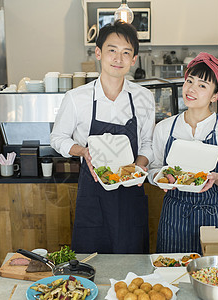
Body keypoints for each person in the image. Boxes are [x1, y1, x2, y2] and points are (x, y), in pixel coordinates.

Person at [50, 20, 155, 254]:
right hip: (93, 196)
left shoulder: (143, 97)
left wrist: (138, 167)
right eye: (112, 50)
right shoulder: (77, 98)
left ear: (134, 59)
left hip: (131, 194)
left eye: (126, 52)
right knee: (92, 264)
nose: (119, 58)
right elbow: (57, 138)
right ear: (98, 53)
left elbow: (148, 143)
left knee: (133, 265)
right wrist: (82, 151)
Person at [147, 52, 218, 254]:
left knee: (212, 277)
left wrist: (216, 179)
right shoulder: (164, 128)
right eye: (189, 81)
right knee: (171, 276)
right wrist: (161, 178)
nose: (191, 89)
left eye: (202, 85)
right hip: (173, 216)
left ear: (215, 96)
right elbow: (153, 169)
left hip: (211, 218)